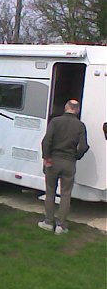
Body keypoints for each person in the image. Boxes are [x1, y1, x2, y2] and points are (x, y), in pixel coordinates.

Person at [38, 99, 89, 235]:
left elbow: (46, 141)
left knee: (50, 192)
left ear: (66, 107)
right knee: (66, 194)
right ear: (77, 110)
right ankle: (61, 226)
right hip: (69, 162)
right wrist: (75, 156)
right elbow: (84, 146)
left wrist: (46, 158)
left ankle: (48, 222)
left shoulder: (55, 121)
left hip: (53, 161)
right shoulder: (80, 125)